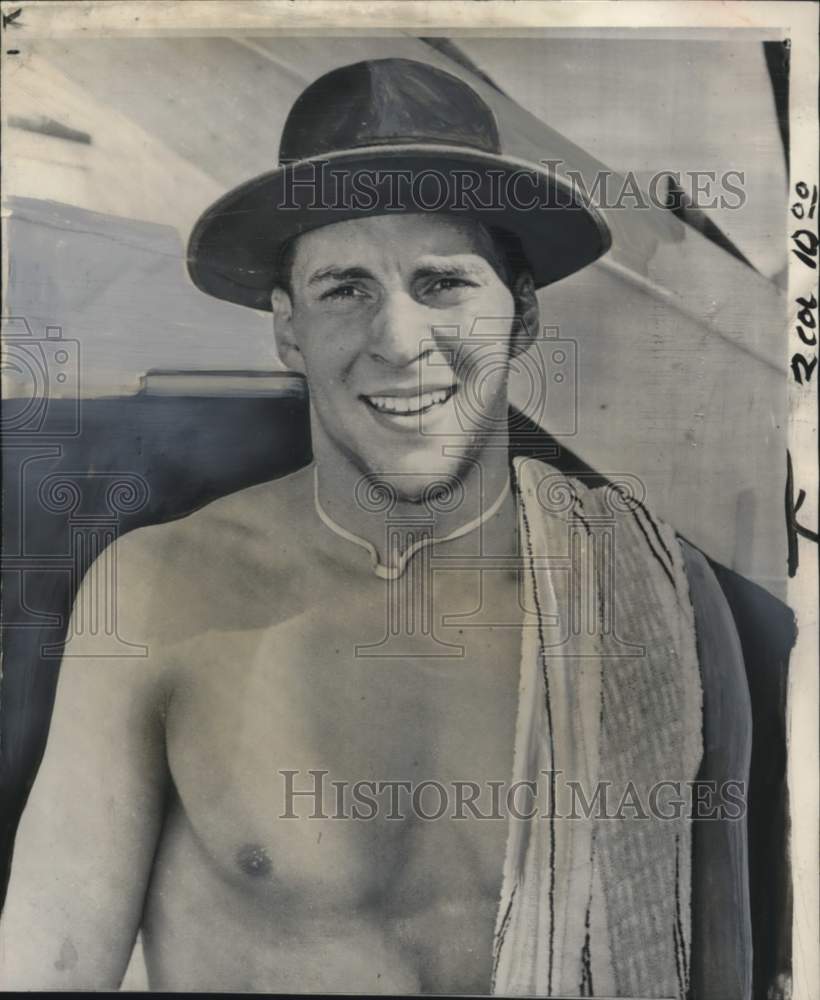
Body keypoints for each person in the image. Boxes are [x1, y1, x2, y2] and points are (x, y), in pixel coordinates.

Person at [1, 58, 756, 996]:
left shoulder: (656, 598)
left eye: (442, 283)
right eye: (344, 289)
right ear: (287, 329)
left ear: (520, 316)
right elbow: (45, 967)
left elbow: (719, 971)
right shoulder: (155, 595)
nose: (400, 341)